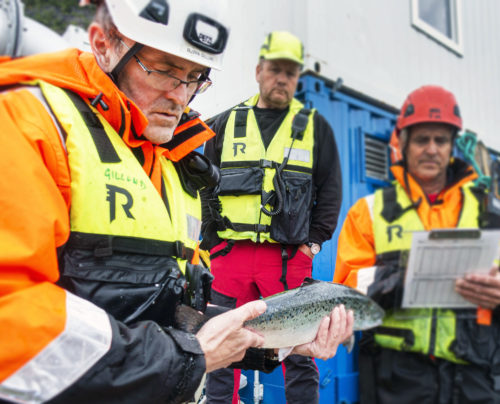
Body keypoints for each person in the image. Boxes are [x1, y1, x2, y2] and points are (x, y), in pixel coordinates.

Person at [0, 2, 354, 404]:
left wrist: (280, 339)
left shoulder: (174, 161)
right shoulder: (29, 124)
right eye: (165, 69)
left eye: (194, 78)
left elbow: (172, 312)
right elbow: (11, 320)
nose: (179, 95)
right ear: (103, 44)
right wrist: (190, 358)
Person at [334, 85, 500, 403]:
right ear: (404, 144)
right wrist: (405, 276)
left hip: (477, 377)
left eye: (441, 140)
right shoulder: (369, 212)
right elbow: (345, 291)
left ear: (452, 146)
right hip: (395, 378)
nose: (432, 149)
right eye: (422, 139)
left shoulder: (490, 212)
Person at [202, 31, 343, 404]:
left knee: (298, 353)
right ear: (258, 70)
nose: (282, 78)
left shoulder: (316, 129)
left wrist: (313, 244)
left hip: (288, 257)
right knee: (222, 346)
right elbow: (203, 189)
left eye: (290, 73)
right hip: (229, 257)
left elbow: (330, 191)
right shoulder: (223, 124)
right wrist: (212, 244)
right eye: (274, 69)